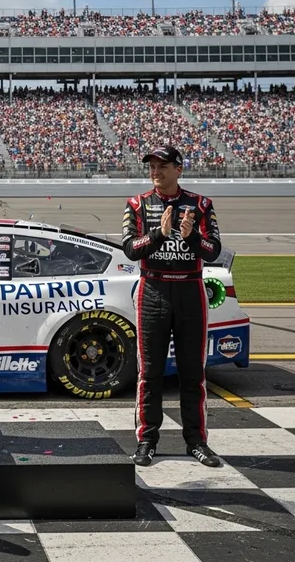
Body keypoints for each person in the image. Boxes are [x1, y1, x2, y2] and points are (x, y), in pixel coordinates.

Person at [122, 145, 222, 468]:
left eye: (163, 165)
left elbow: (212, 250)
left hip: (190, 291)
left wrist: (191, 237)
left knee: (193, 372)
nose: (156, 171)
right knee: (149, 372)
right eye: (152, 164)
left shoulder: (201, 204)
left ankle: (197, 441)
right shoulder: (137, 203)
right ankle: (146, 440)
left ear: (179, 169)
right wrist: (159, 234)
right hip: (152, 290)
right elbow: (130, 248)